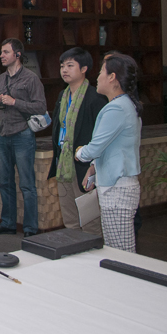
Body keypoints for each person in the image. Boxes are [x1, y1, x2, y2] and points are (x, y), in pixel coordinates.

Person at [76, 52, 143, 253]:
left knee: (120, 251)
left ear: (112, 77)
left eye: (101, 72)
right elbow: (111, 147)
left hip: (117, 190)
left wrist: (79, 152)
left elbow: (94, 147)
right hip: (117, 187)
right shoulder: (124, 104)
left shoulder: (117, 108)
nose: (97, 77)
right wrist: (94, 167)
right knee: (118, 248)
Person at [47, 48, 107, 236]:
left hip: (84, 166)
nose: (64, 70)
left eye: (70, 65)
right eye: (62, 66)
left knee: (90, 220)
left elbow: (100, 136)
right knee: (70, 219)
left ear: (84, 68)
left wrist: (93, 166)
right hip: (64, 164)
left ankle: (93, 252)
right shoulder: (62, 96)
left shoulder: (95, 97)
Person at [0, 38, 46, 238]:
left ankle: (30, 228)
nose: (1, 56)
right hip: (3, 135)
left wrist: (15, 102)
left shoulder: (31, 79)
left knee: (27, 184)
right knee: (4, 183)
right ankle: (8, 223)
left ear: (18, 54)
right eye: (1, 52)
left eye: (6, 52)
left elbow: (41, 107)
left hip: (23, 135)